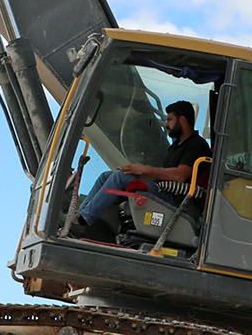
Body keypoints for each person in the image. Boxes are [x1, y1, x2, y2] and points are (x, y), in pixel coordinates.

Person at [71, 101, 211, 240]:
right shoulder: (176, 147)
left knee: (119, 177)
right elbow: (164, 175)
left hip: (176, 200)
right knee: (106, 176)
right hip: (164, 190)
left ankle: (83, 222)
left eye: (169, 120)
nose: (166, 125)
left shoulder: (196, 144)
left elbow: (180, 175)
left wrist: (144, 170)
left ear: (182, 120)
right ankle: (78, 216)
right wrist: (138, 172)